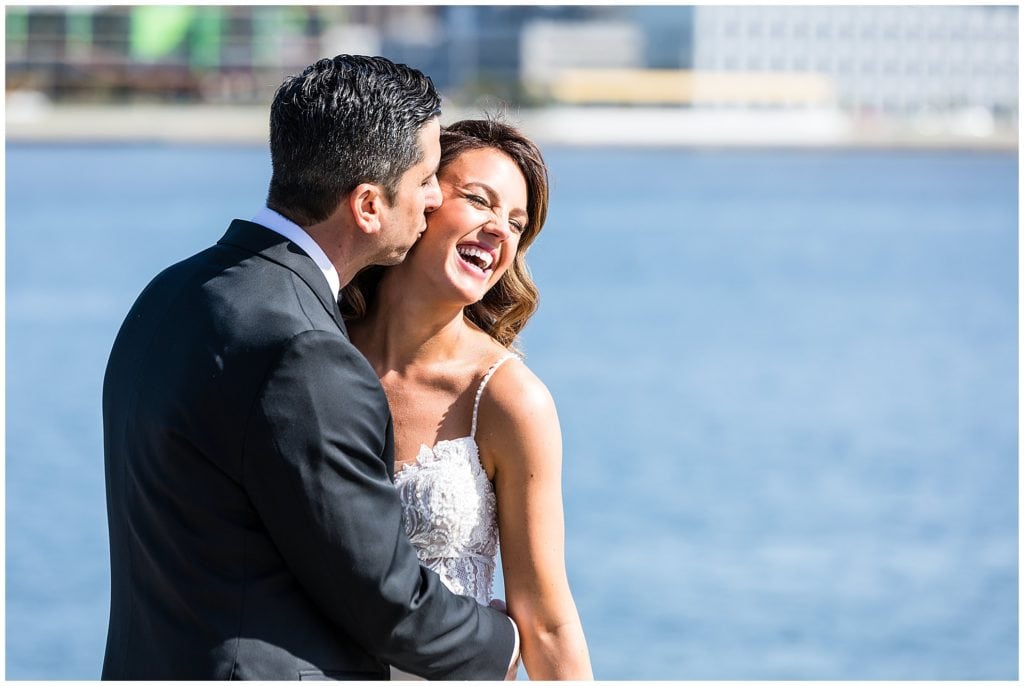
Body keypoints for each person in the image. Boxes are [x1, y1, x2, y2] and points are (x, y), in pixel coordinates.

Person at [101, 55, 519, 680]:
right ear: (368, 205)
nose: (434, 200)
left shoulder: (169, 293)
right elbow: (383, 596)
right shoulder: (308, 352)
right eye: (428, 178)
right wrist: (501, 643)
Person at [343, 118, 594, 680]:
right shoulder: (317, 354)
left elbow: (547, 624)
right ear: (420, 197)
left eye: (516, 223)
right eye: (480, 201)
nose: (500, 230)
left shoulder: (508, 399)